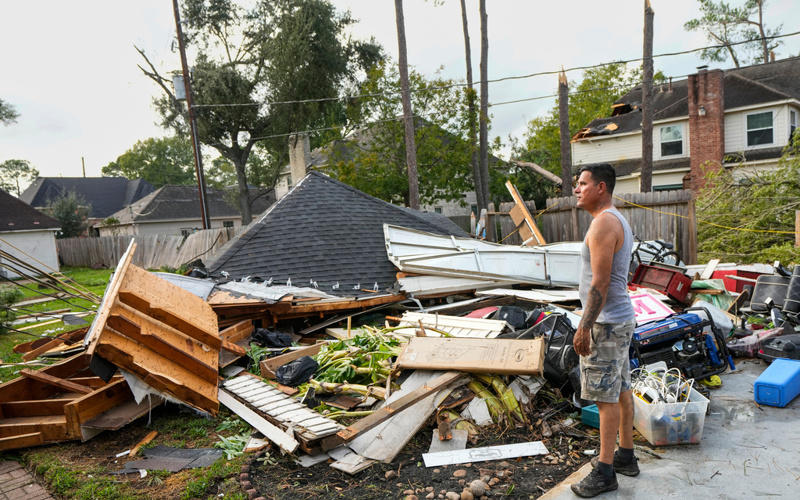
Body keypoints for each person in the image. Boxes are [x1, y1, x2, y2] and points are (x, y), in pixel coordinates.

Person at [570, 163, 638, 498]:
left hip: (605, 324)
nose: (576, 189)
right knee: (622, 388)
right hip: (618, 320)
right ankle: (627, 455)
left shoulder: (603, 224)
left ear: (600, 187)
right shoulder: (616, 219)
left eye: (581, 183)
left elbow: (600, 283)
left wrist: (584, 327)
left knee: (603, 398)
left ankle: (605, 471)